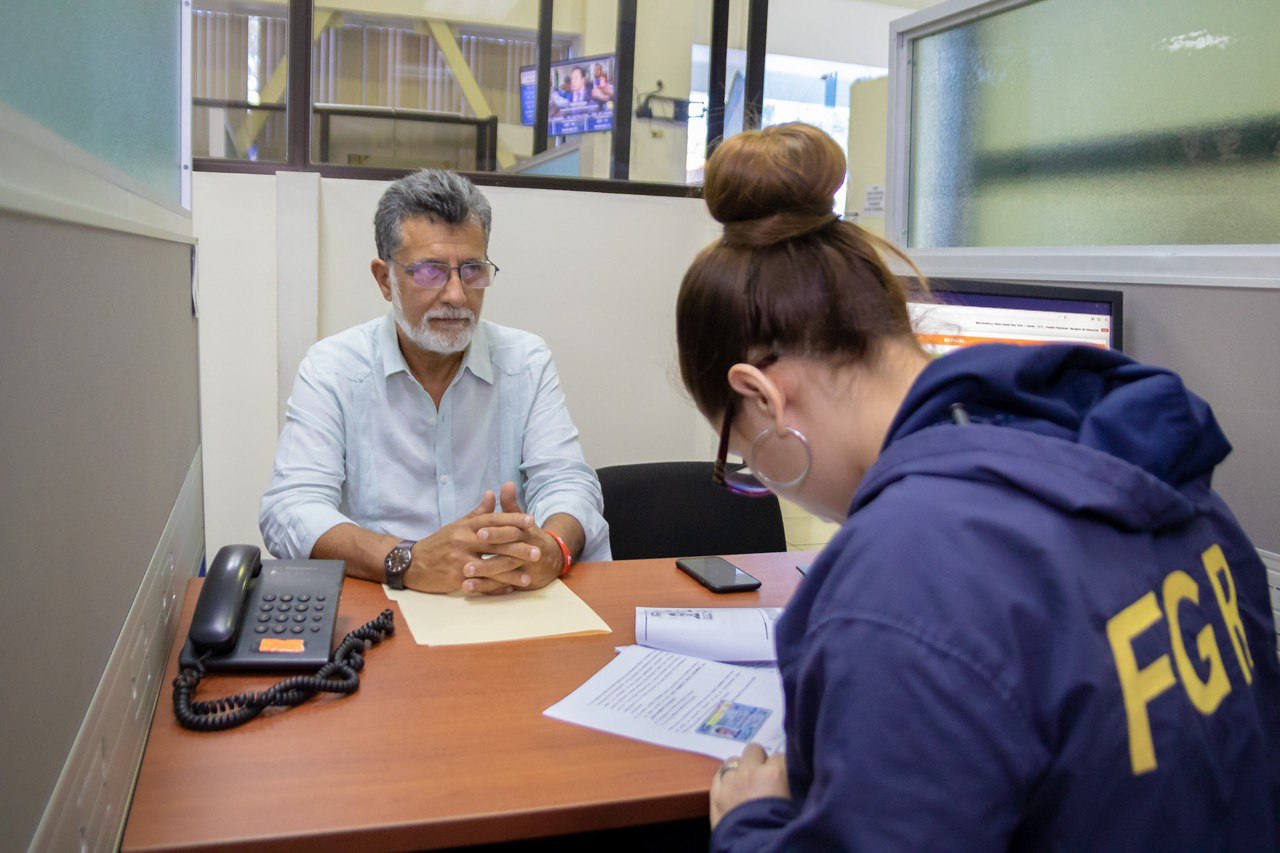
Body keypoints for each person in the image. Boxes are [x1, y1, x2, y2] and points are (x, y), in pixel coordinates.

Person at [675, 122, 1280, 849]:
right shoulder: (1142, 460)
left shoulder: (899, 579)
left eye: (741, 453)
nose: (764, 479)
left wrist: (751, 823)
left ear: (763, 397)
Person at [260, 169, 609, 595]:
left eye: (473, 270)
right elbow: (291, 509)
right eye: (430, 272)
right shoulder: (333, 368)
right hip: (387, 603)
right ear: (385, 279)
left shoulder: (525, 361)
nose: (457, 295)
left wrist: (551, 549)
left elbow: (568, 483)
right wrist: (406, 559)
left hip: (505, 600)